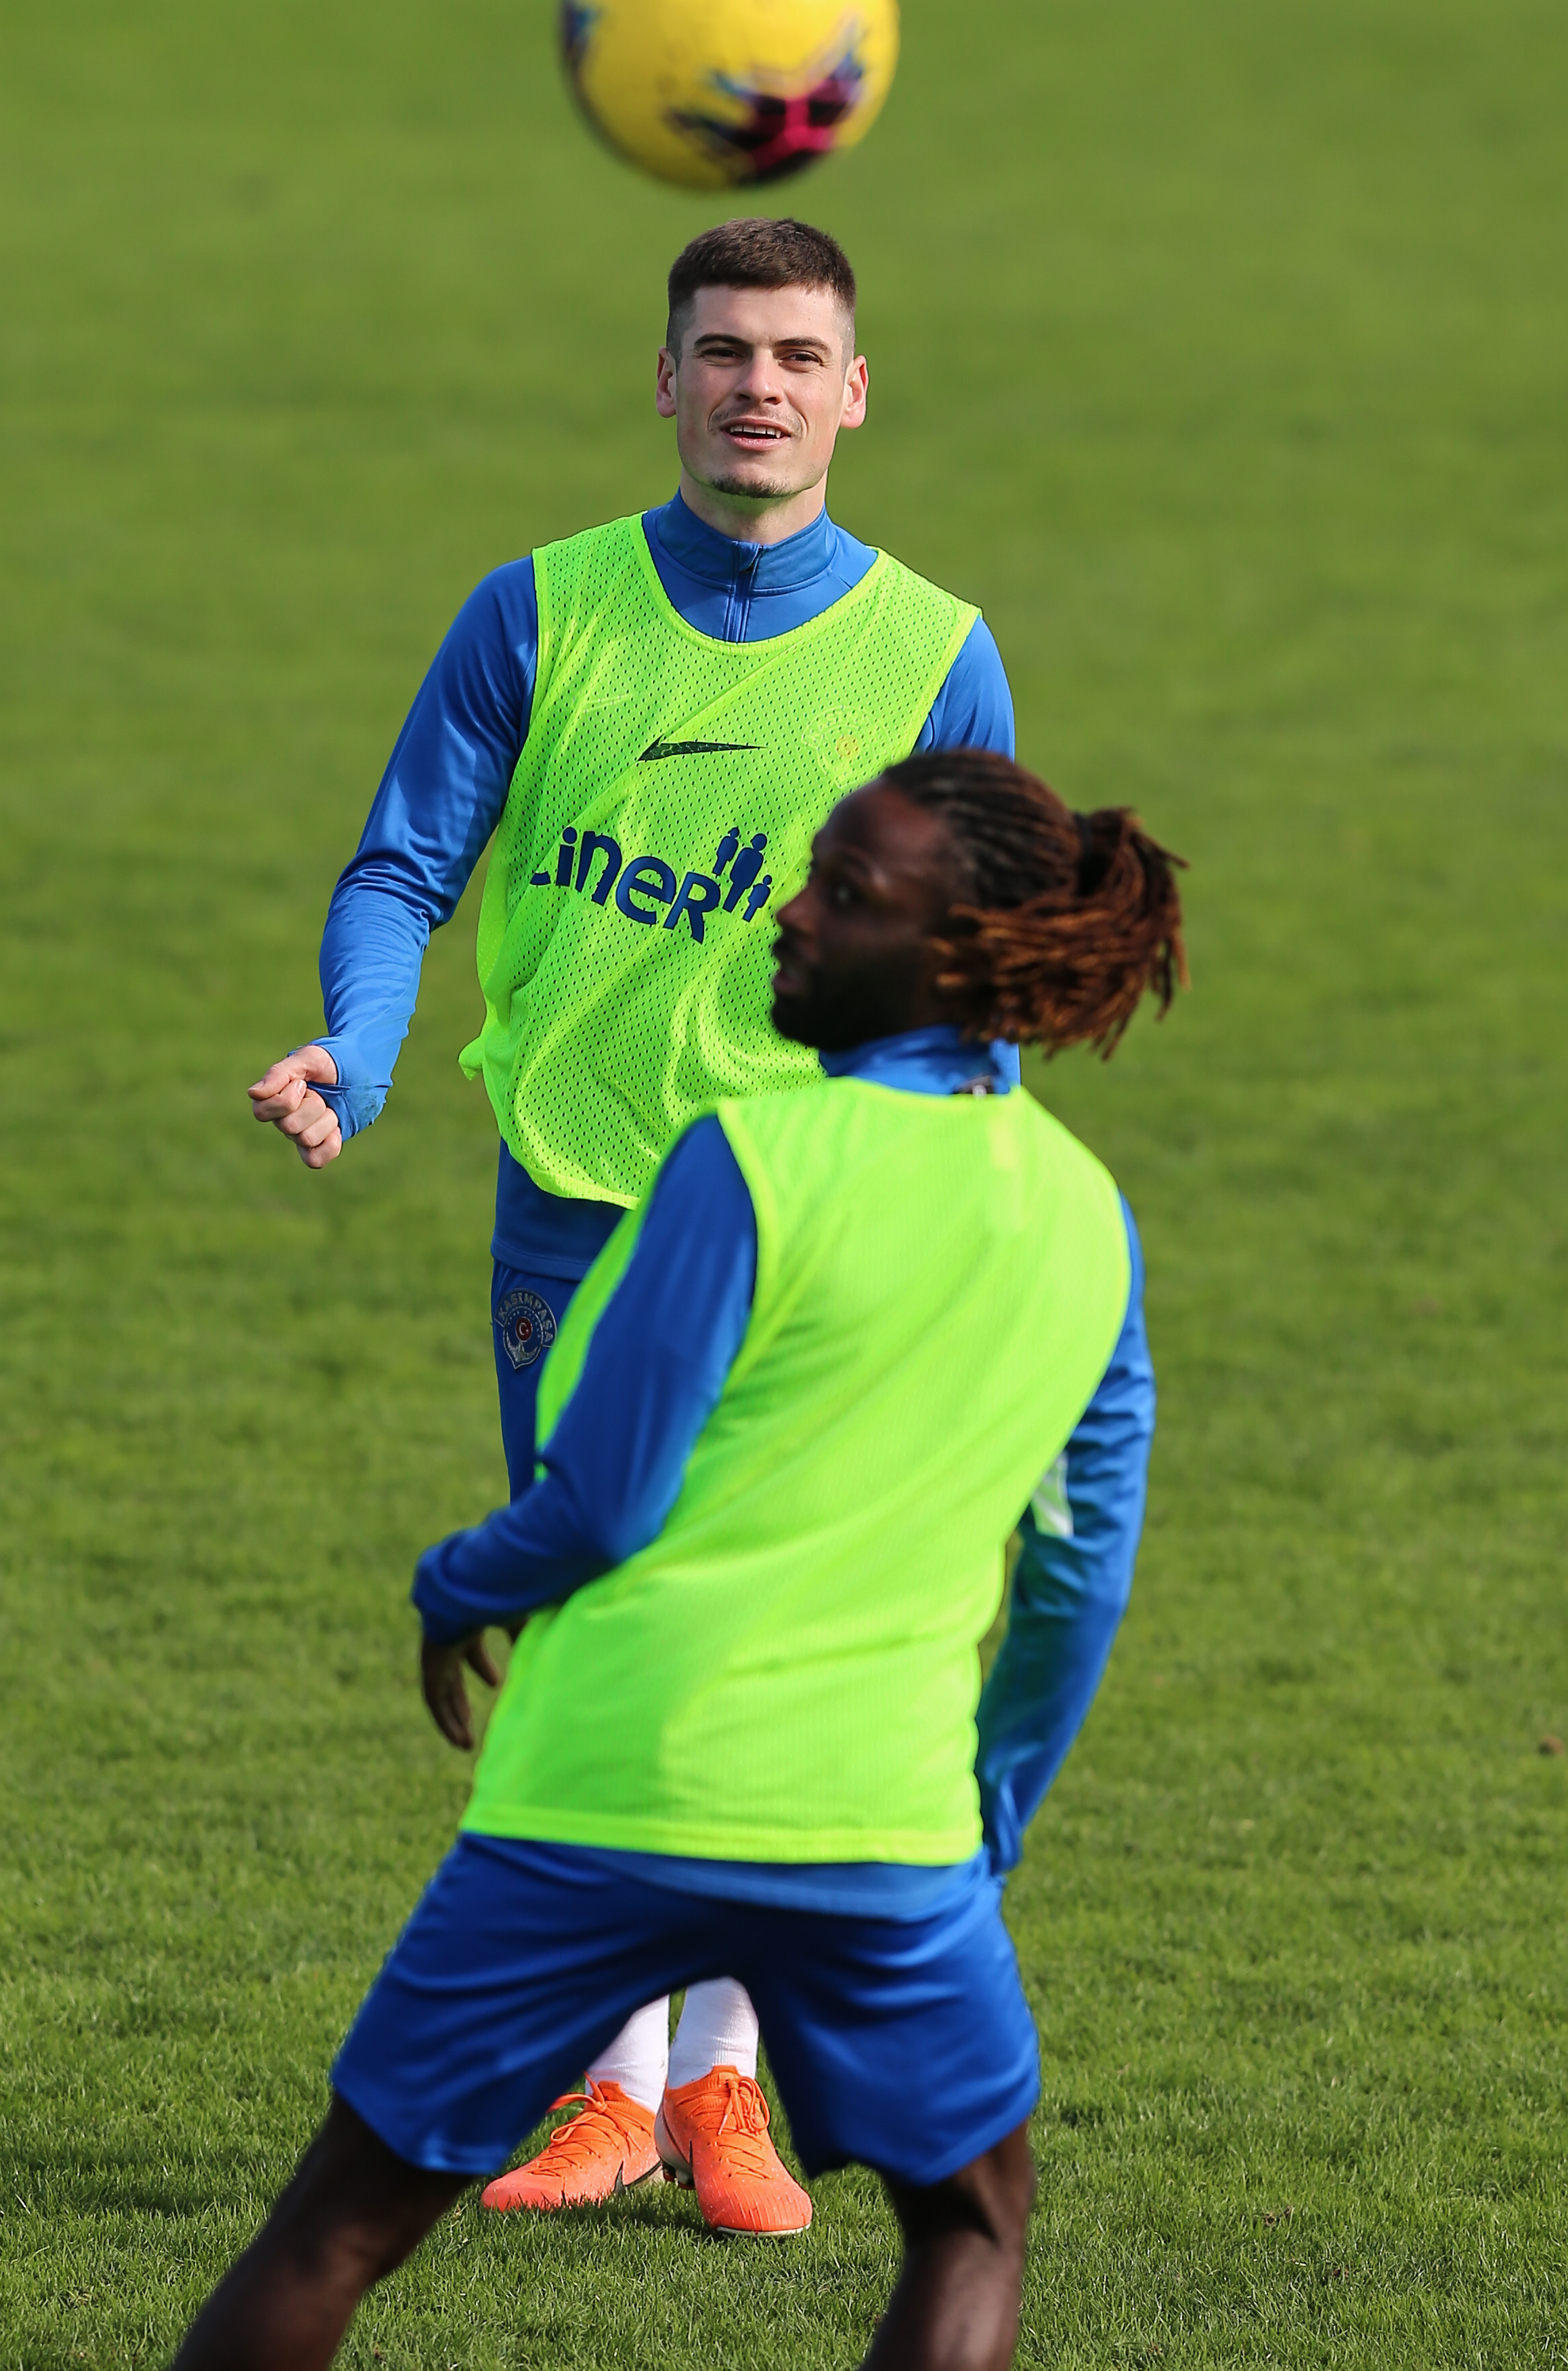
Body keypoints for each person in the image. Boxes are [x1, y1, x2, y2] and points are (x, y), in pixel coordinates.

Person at [243, 217, 1120, 2229]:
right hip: (575, 1206)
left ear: (855, 393)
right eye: (723, 351)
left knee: (763, 1631)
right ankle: (618, 2088)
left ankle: (721, 2082)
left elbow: (983, 950)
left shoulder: (935, 649)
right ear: (664, 380)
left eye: (798, 357)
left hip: (816, 1227)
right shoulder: (537, 612)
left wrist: (977, 1181)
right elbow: (404, 868)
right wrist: (361, 1053)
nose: (758, 388)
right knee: (595, 1620)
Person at [177, 749, 1185, 2371]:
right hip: (878, 1823)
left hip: (604, 1788)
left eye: (844, 893)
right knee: (972, 2226)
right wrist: (985, 1812)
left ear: (955, 956)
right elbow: (1080, 1582)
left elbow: (600, 1504)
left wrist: (454, 1586)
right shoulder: (1089, 1218)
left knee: (335, 2234)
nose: (787, 914)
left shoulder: (746, 1161)